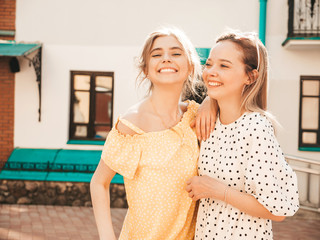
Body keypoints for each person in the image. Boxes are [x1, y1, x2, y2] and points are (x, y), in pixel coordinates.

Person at [90, 27, 215, 240]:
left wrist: (211, 101)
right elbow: (99, 183)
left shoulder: (194, 116)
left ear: (190, 65)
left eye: (176, 53)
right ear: (146, 69)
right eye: (157, 54)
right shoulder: (132, 124)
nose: (166, 59)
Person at [186, 30, 300, 240]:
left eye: (224, 65)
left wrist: (218, 191)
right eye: (209, 64)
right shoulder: (209, 121)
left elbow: (277, 210)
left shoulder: (255, 128)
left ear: (250, 76)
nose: (211, 71)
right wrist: (208, 102)